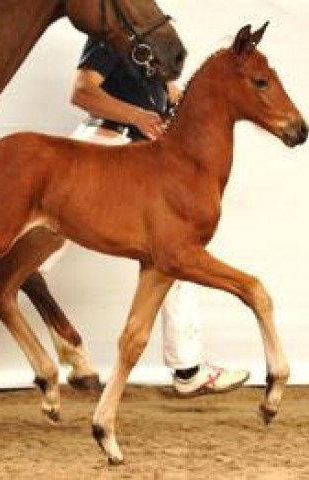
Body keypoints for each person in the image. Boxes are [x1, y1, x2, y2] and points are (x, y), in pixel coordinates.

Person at [67, 36, 250, 396]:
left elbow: (167, 91)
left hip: (140, 153)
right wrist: (137, 115)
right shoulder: (113, 28)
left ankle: (188, 369)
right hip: (105, 143)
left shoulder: (154, 34)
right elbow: (83, 92)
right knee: (30, 245)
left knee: (172, 259)